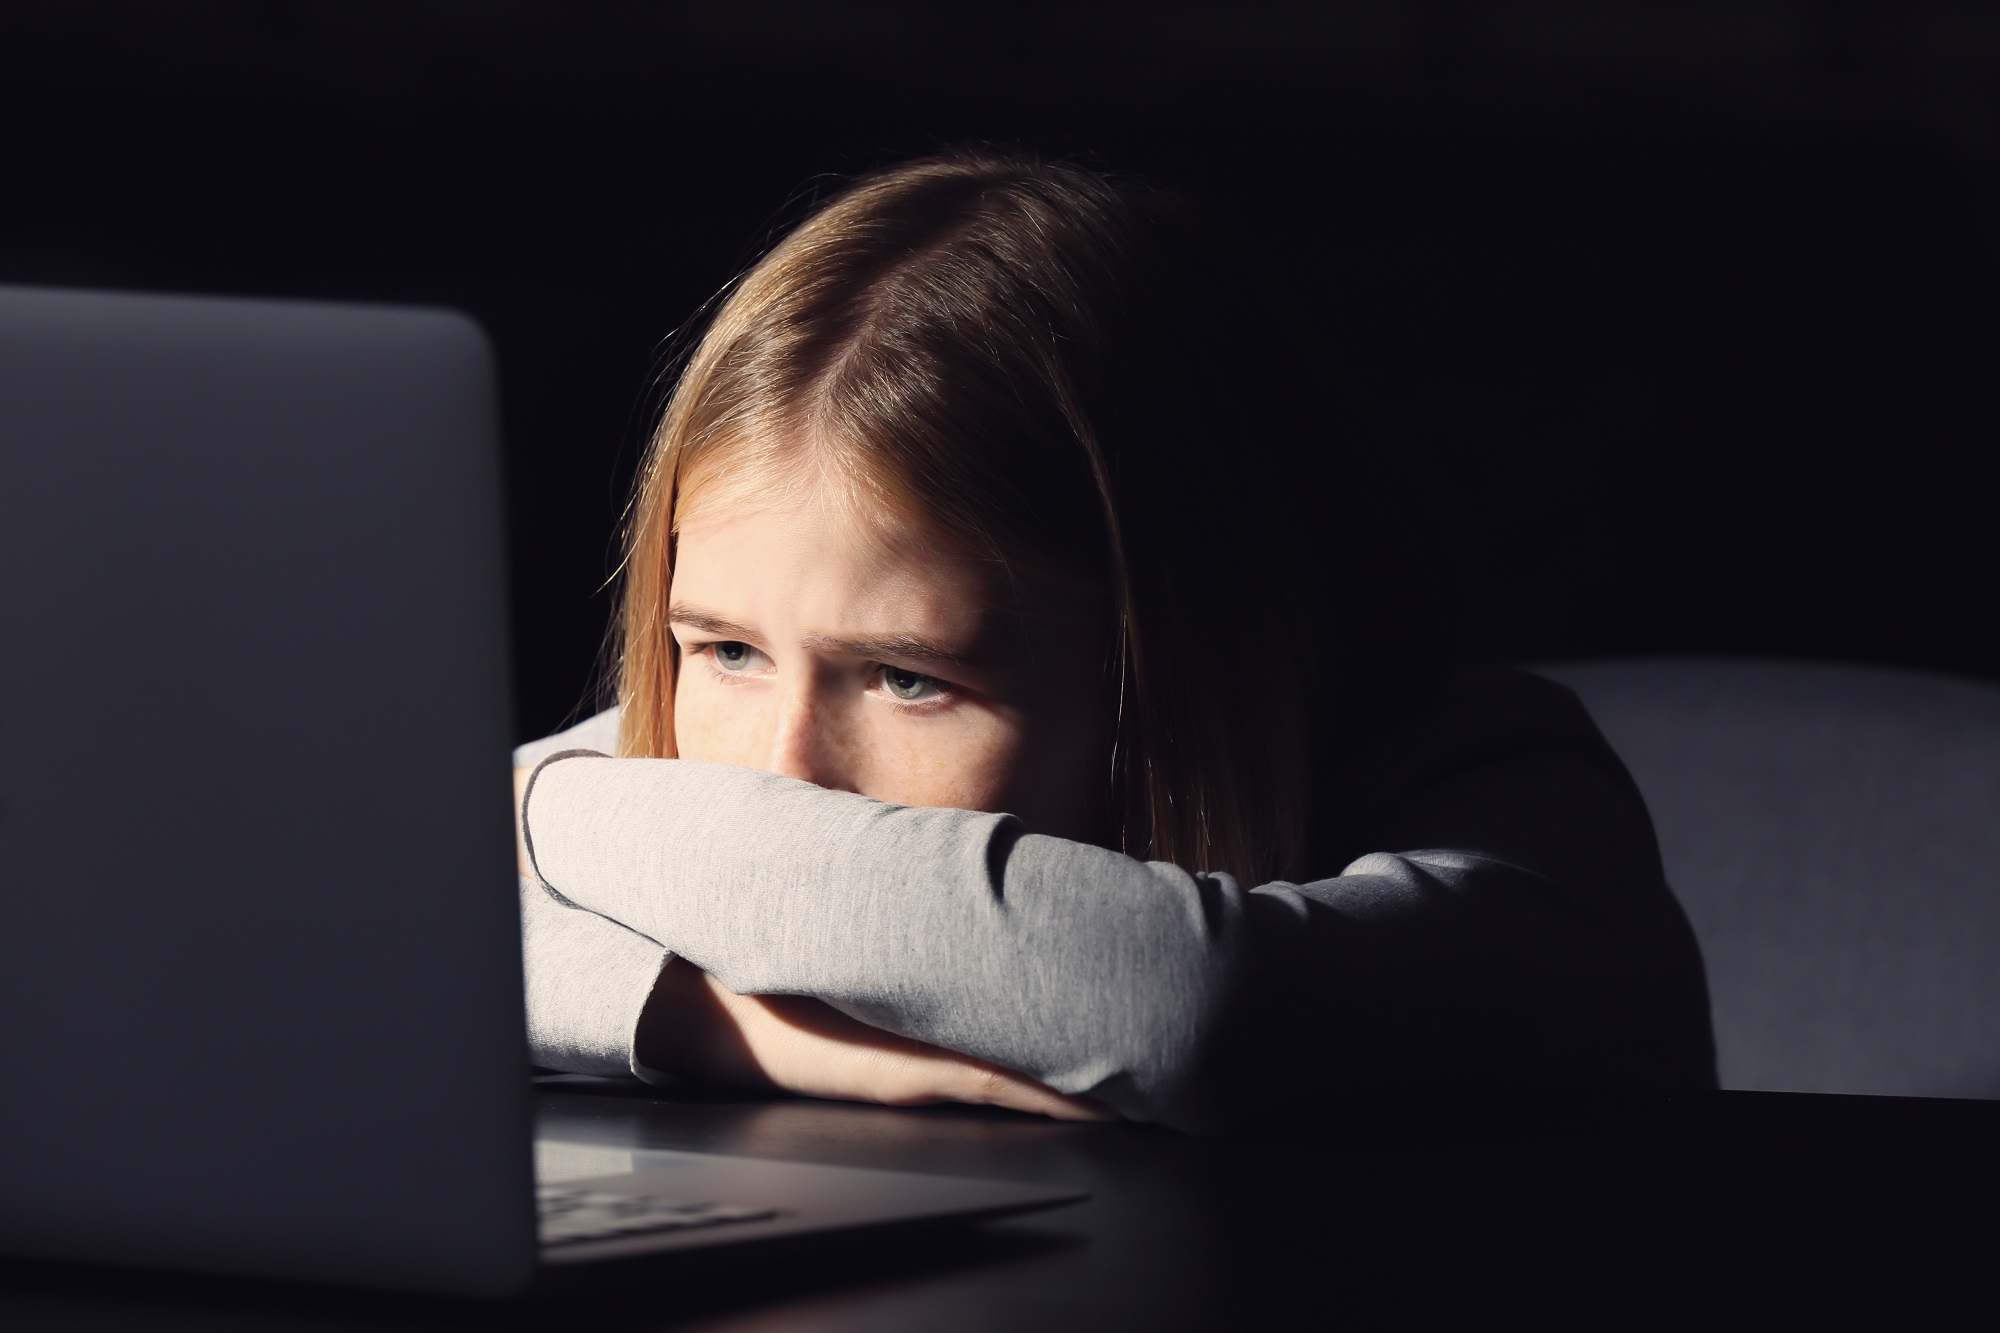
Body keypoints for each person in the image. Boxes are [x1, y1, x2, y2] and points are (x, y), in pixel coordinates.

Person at [513, 149, 1716, 1134]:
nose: (776, 788)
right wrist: (724, 1027)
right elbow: (367, 921)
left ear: (1173, 657)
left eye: (904, 677)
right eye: (724, 651)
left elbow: (1188, 1003)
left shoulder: (1530, 826)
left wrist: (525, 812)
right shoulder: (702, 761)